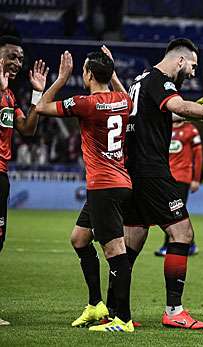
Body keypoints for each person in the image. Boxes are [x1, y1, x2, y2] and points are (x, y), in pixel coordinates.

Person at [121, 37, 203, 330]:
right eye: (192, 66)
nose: (192, 73)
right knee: (182, 234)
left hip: (134, 170)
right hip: (153, 171)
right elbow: (175, 102)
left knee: (132, 241)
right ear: (179, 60)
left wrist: (183, 111)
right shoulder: (161, 80)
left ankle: (117, 311)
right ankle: (174, 311)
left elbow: (157, 114)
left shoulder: (140, 81)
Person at [36, 50, 135, 332]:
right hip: (119, 183)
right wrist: (113, 72)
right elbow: (124, 94)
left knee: (115, 252)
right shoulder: (123, 100)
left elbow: (42, 107)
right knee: (79, 239)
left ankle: (123, 320)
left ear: (88, 75)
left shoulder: (85, 103)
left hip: (103, 186)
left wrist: (61, 78)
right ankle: (96, 305)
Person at [0, 35, 48, 326]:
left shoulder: (9, 96)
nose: (18, 63)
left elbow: (27, 130)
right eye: (11, 56)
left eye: (20, 58)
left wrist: (37, 96)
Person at [154, 111, 203, 257]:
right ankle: (191, 243)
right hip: (166, 177)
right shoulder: (165, 128)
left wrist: (196, 179)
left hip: (182, 177)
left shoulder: (191, 130)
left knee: (174, 211)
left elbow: (198, 156)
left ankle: (168, 246)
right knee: (175, 211)